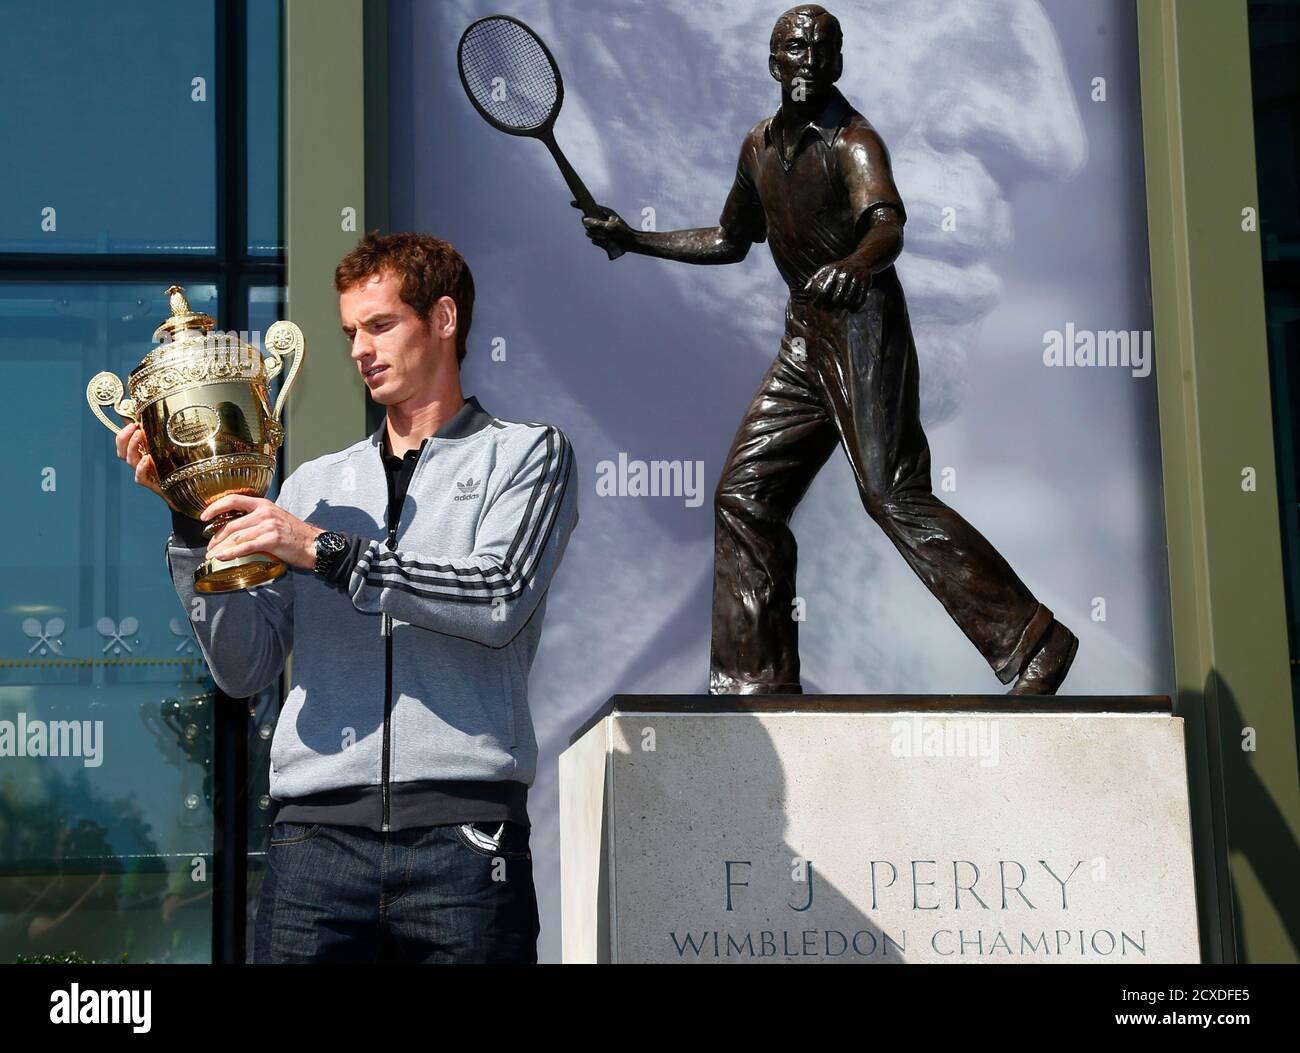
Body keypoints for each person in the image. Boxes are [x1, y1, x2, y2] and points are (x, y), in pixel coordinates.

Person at [580, 3, 1076, 695]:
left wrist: (858, 262)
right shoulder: (758, 148)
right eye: (794, 49)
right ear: (774, 62)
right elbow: (730, 239)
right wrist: (634, 239)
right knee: (744, 496)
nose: (807, 62)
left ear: (837, 63)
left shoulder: (854, 142)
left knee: (891, 495)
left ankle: (1035, 641)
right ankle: (758, 681)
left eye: (821, 51)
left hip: (866, 329)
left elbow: (888, 224)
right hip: (805, 341)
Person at [116, 231, 578, 962]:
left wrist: (323, 550)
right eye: (350, 332)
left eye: (381, 324)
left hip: (464, 840)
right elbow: (245, 666)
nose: (360, 348)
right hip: (313, 844)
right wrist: (189, 521)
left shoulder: (526, 455)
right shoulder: (310, 487)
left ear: (445, 319)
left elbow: (497, 598)